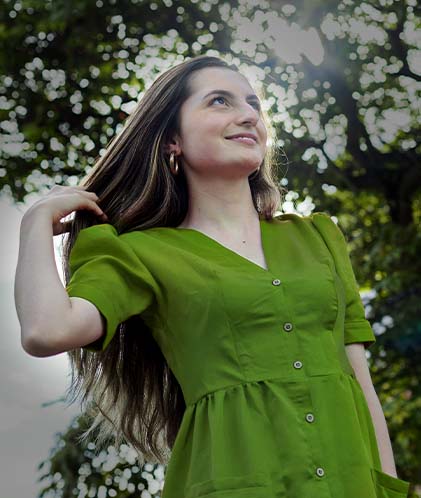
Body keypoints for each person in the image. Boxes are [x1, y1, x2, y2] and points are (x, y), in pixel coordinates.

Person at [14, 55, 411, 497]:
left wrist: (390, 488)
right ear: (171, 141)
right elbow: (46, 330)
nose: (247, 114)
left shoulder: (318, 237)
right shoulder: (142, 254)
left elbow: (360, 378)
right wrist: (35, 223)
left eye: (253, 104)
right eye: (219, 101)